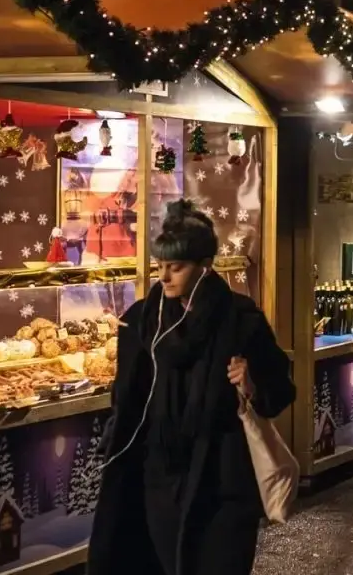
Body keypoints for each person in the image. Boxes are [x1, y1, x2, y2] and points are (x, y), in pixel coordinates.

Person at [88, 204, 295, 575]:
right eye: (160, 266)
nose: (165, 277)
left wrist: (253, 383)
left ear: (205, 266)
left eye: (177, 267)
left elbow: (281, 389)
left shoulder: (240, 320)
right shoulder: (139, 324)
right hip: (159, 481)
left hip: (221, 483)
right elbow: (126, 397)